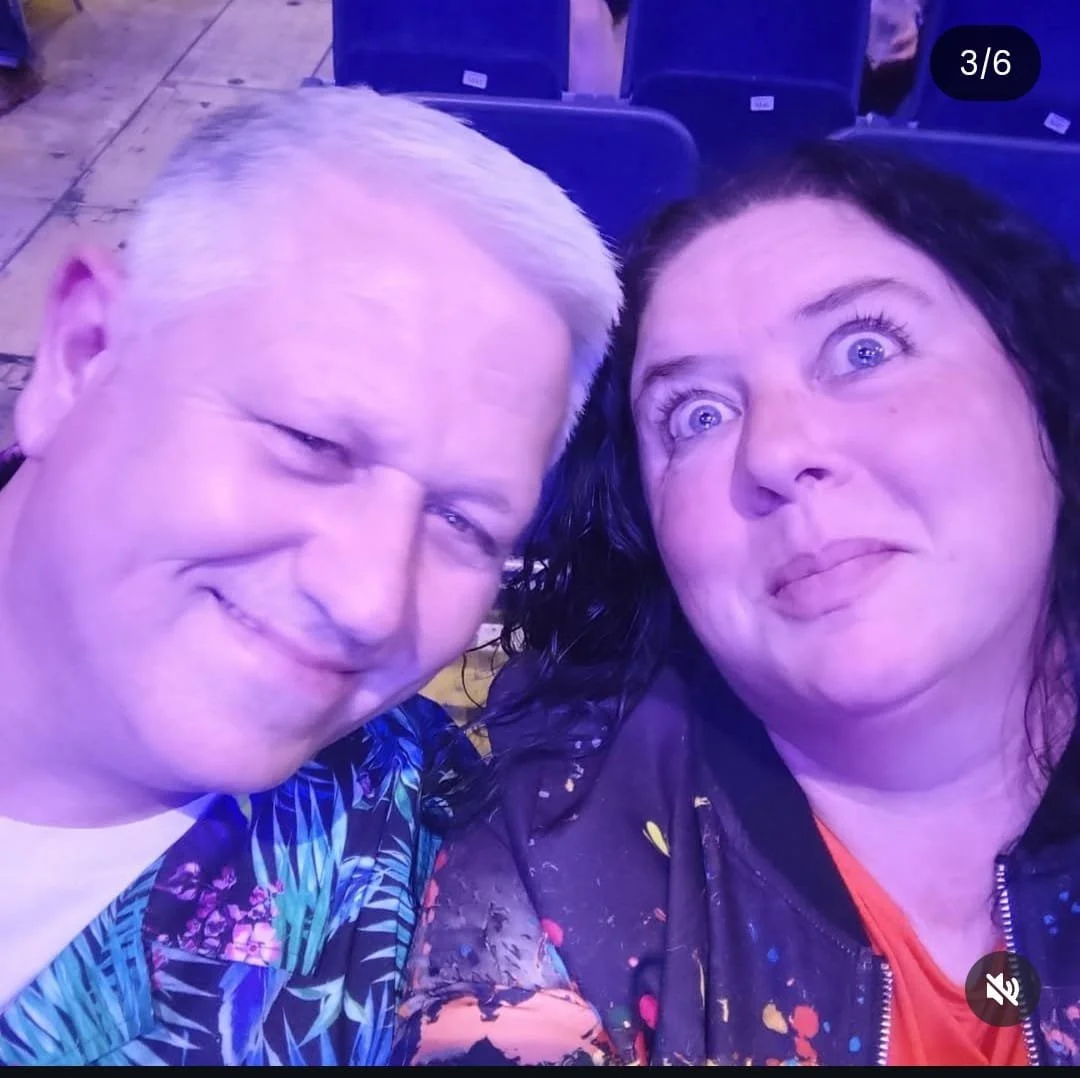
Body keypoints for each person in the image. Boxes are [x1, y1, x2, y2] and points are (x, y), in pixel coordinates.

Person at [395, 141, 1080, 1067]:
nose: (775, 451)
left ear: (1037, 376)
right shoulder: (557, 848)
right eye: (697, 417)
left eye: (864, 350)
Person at [0, 86, 620, 1065]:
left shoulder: (457, 853)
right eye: (311, 441)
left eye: (463, 521)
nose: (370, 598)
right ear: (85, 357)